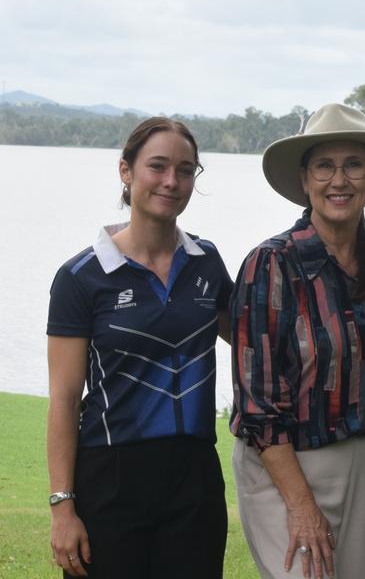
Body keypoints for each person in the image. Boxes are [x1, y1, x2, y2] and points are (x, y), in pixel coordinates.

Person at [230, 103, 365, 579]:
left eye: (353, 164)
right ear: (305, 178)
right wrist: (301, 506)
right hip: (285, 470)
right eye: (325, 166)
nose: (340, 180)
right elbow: (258, 405)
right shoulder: (270, 264)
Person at [46, 117, 231, 578]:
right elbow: (65, 401)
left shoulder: (206, 261)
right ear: (125, 171)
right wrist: (62, 508)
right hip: (111, 478)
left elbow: (257, 342)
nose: (172, 181)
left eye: (186, 170)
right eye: (158, 166)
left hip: (194, 479)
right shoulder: (80, 277)